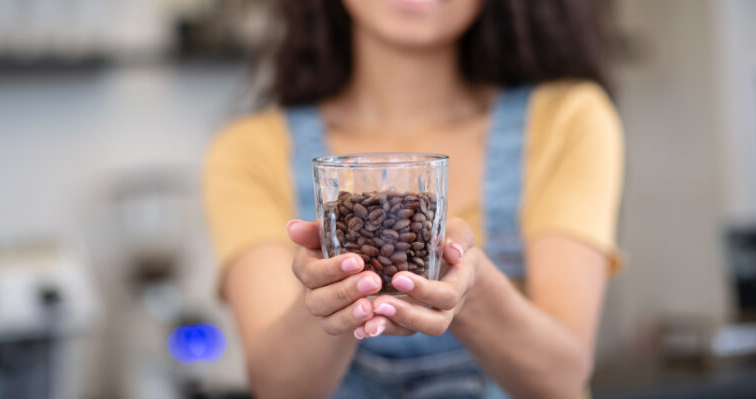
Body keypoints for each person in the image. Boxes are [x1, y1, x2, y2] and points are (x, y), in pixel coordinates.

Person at [204, 0, 623, 397]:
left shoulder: (566, 119)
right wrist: (334, 293)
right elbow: (278, 389)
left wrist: (470, 288)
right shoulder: (250, 149)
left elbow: (562, 381)